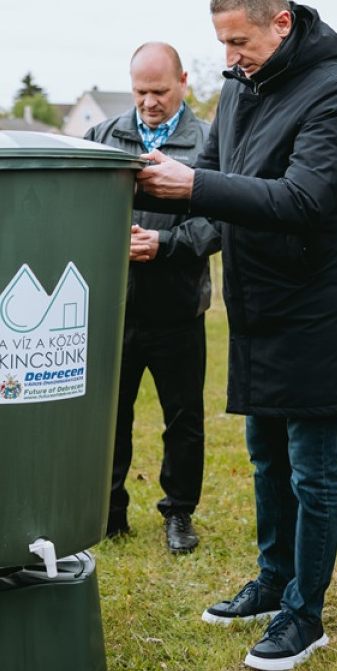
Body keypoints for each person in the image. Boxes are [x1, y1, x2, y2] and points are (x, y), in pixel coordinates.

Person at [135, 0, 337, 671]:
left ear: (280, 24)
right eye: (221, 44)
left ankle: (306, 612)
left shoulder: (336, 92)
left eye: (239, 41)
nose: (229, 56)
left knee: (310, 467)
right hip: (258, 305)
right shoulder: (239, 88)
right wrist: (141, 182)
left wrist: (196, 184)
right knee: (266, 454)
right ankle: (272, 583)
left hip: (316, 308)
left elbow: (302, 198)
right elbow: (209, 177)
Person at [82, 42, 220, 554]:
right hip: (112, 308)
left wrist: (165, 245)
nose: (149, 101)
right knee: (108, 415)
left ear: (183, 81)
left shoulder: (208, 141)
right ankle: (108, 511)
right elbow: (78, 206)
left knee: (183, 420)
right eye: (140, 91)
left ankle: (178, 515)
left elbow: (220, 223)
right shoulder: (101, 137)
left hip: (178, 307)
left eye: (159, 91)